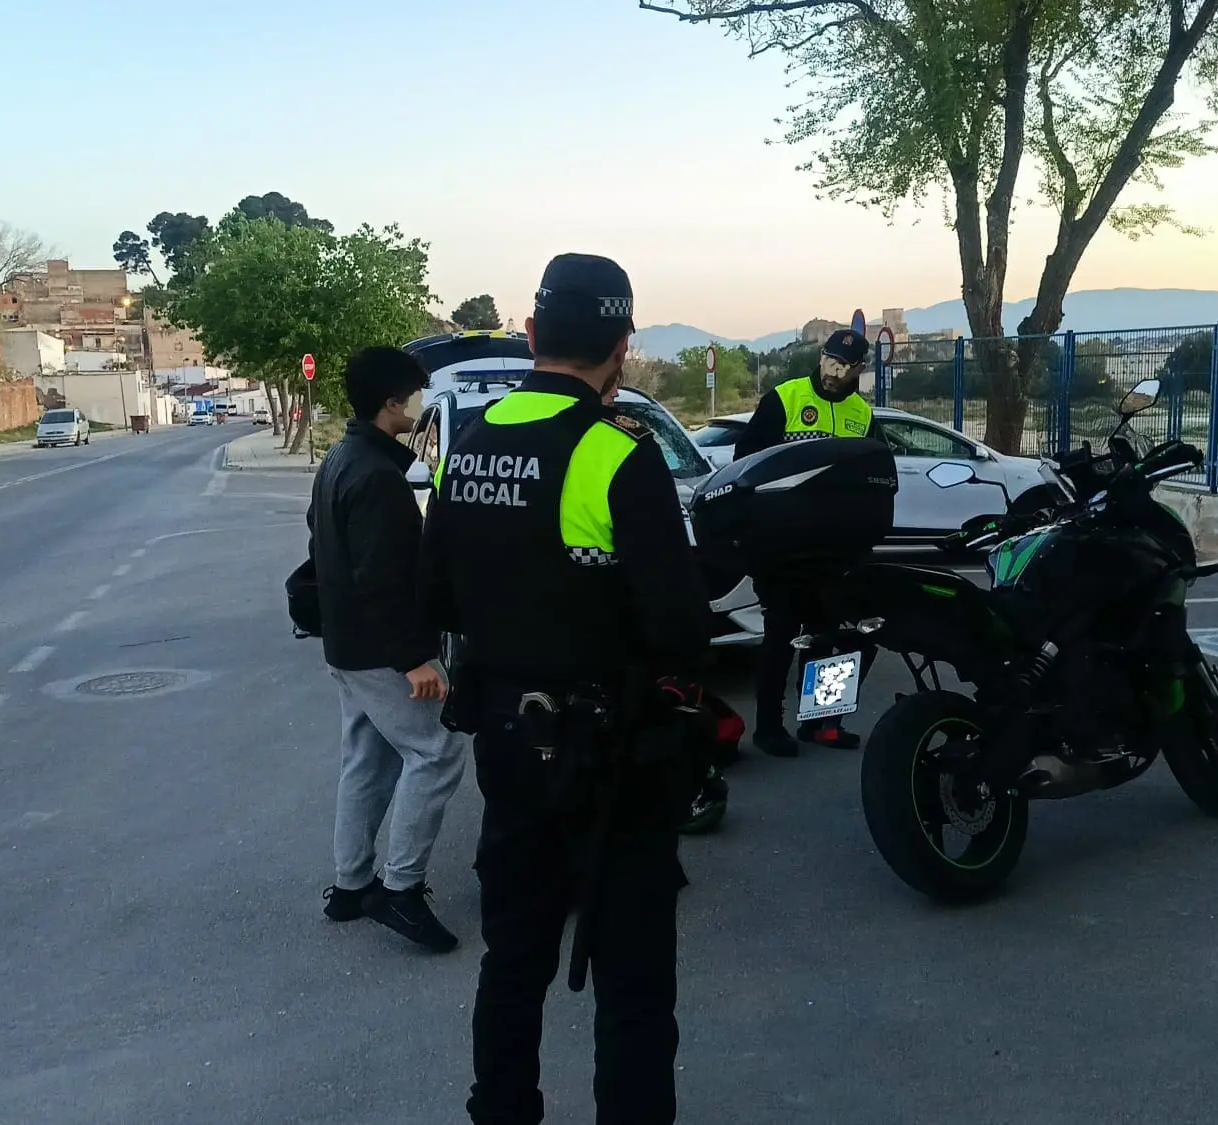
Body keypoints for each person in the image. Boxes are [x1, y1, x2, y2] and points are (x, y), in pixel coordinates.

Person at [421, 253, 712, 1125]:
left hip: (508, 746)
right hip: (614, 759)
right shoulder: (616, 454)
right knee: (633, 981)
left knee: (513, 959)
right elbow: (680, 628)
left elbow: (438, 597)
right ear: (623, 347)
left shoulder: (467, 447)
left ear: (532, 334)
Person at [307, 346, 468, 953]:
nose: (422, 404)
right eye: (416, 394)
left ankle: (351, 885)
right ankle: (401, 889)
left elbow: (319, 543)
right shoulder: (377, 476)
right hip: (380, 650)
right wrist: (414, 659)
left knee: (368, 759)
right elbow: (382, 578)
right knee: (437, 751)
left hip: (348, 643)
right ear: (391, 402)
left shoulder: (341, 458)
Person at [733, 328, 876, 757]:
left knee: (832, 637)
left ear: (858, 370)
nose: (833, 372)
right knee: (780, 638)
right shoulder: (785, 398)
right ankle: (768, 727)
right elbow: (746, 464)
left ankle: (820, 724)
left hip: (834, 550)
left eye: (844, 366)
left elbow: (874, 472)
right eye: (829, 360)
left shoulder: (862, 414)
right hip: (783, 547)